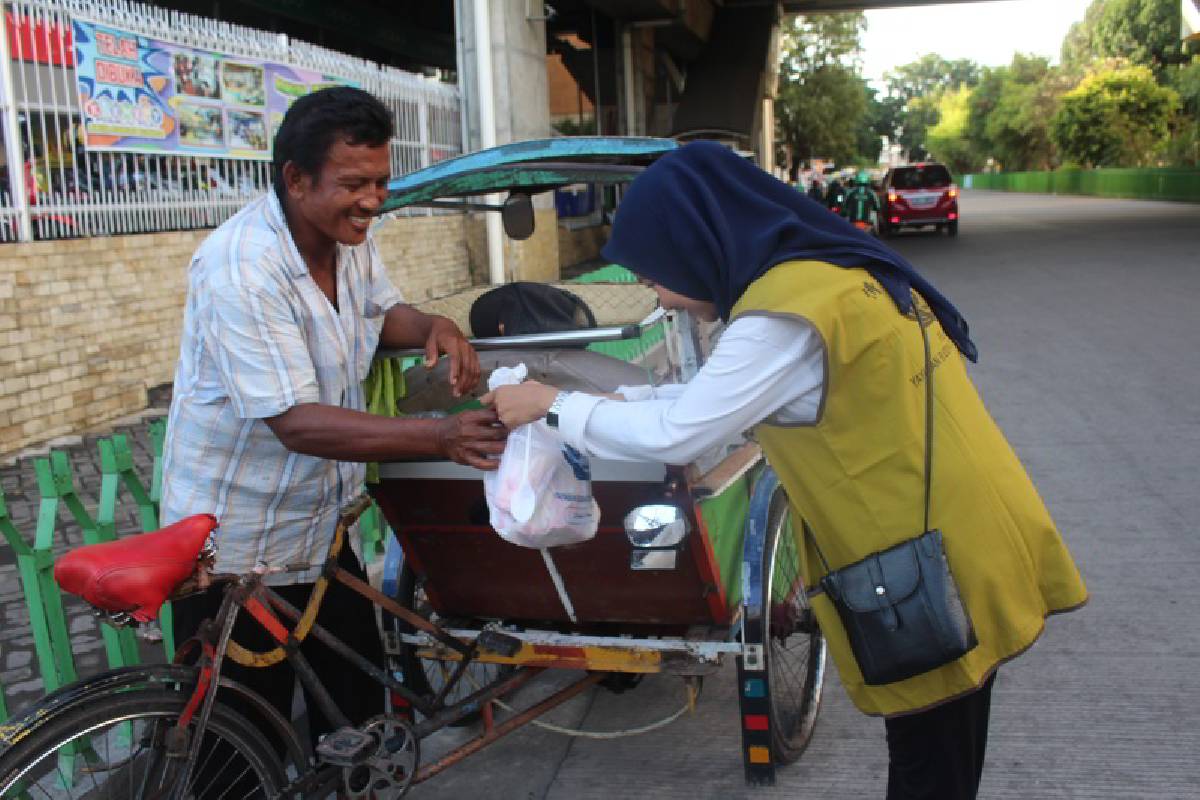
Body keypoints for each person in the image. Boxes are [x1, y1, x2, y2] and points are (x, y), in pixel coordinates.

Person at [484, 141, 1087, 800]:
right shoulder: (826, 271)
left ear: (695, 242)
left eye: (653, 273)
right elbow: (713, 399)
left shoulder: (781, 315)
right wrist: (594, 403)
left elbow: (680, 433)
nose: (657, 297)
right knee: (945, 746)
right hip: (963, 530)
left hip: (926, 563)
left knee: (928, 760)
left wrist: (552, 405)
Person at [160, 87, 506, 754]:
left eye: (380, 181)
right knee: (236, 747)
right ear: (295, 179)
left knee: (353, 722)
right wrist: (440, 436)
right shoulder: (242, 269)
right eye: (354, 184)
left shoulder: (350, 240)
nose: (373, 200)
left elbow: (382, 317)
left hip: (318, 527)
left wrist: (436, 324)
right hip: (231, 545)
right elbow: (296, 424)